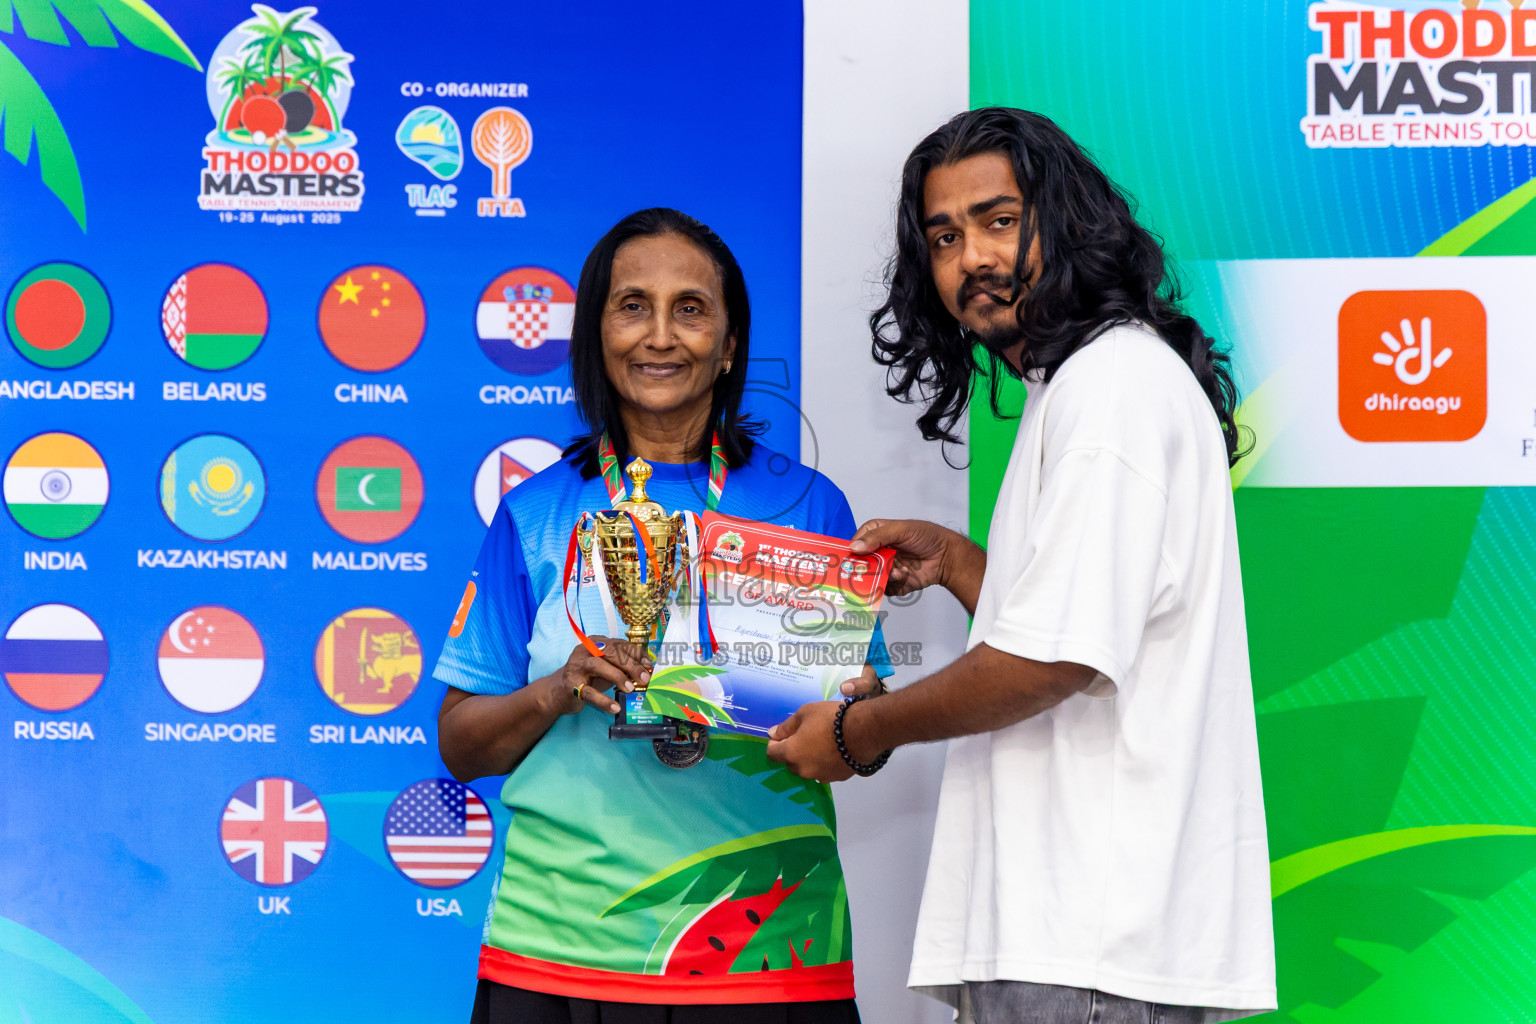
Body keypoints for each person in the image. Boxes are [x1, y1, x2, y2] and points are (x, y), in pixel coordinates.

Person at [766, 108, 1277, 1023]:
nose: (973, 259)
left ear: (1068, 219)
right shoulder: (1084, 381)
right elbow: (1092, 619)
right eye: (945, 236)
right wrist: (966, 565)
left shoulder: (1111, 389)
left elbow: (1056, 660)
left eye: (1000, 220)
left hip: (1089, 945)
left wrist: (859, 735)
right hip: (1082, 943)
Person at [433, 207, 887, 1024]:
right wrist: (558, 690)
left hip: (769, 951)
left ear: (731, 343)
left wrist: (854, 713)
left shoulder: (807, 505)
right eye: (632, 304)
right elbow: (461, 746)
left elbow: (853, 744)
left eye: (691, 307)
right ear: (596, 335)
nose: (661, 336)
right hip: (561, 953)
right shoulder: (536, 513)